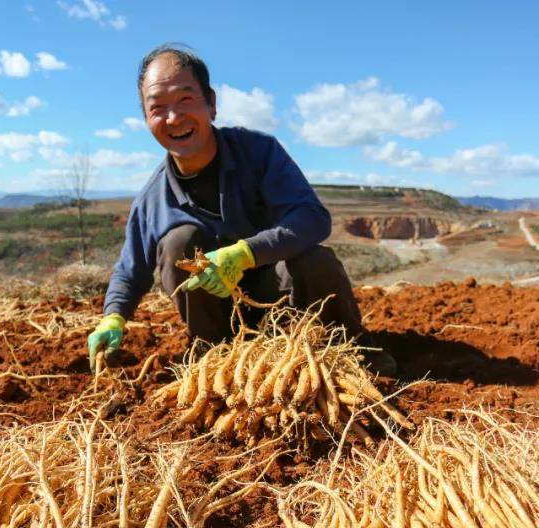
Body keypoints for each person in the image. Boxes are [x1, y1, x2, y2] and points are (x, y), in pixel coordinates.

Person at [87, 44, 396, 375]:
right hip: (219, 323)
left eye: (185, 100)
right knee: (179, 242)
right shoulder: (152, 198)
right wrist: (113, 316)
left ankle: (351, 349)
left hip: (283, 305)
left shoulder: (259, 153)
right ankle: (216, 359)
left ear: (211, 104)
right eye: (158, 108)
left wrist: (245, 253)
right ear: (147, 119)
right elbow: (130, 269)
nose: (173, 118)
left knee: (315, 260)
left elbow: (312, 218)